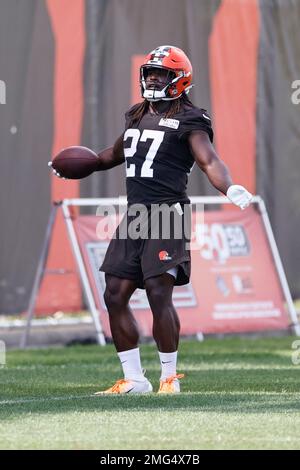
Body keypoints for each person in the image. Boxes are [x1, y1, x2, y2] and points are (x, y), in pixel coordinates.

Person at [49, 45, 252, 394]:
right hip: (135, 214)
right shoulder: (136, 114)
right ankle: (134, 380)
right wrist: (76, 167)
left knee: (159, 292)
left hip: (168, 213)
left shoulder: (192, 118)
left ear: (180, 79)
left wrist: (229, 187)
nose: (153, 78)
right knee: (114, 294)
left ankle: (169, 377)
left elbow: (208, 160)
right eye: (150, 72)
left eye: (162, 74)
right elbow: (112, 155)